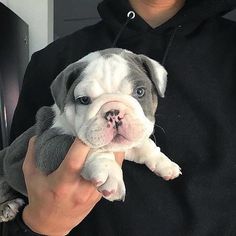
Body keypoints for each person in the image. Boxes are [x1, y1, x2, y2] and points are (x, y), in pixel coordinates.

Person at [1, 0, 236, 235]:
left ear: (157, 82)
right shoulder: (52, 61)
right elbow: (18, 187)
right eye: (85, 99)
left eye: (138, 92)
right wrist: (42, 225)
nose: (115, 116)